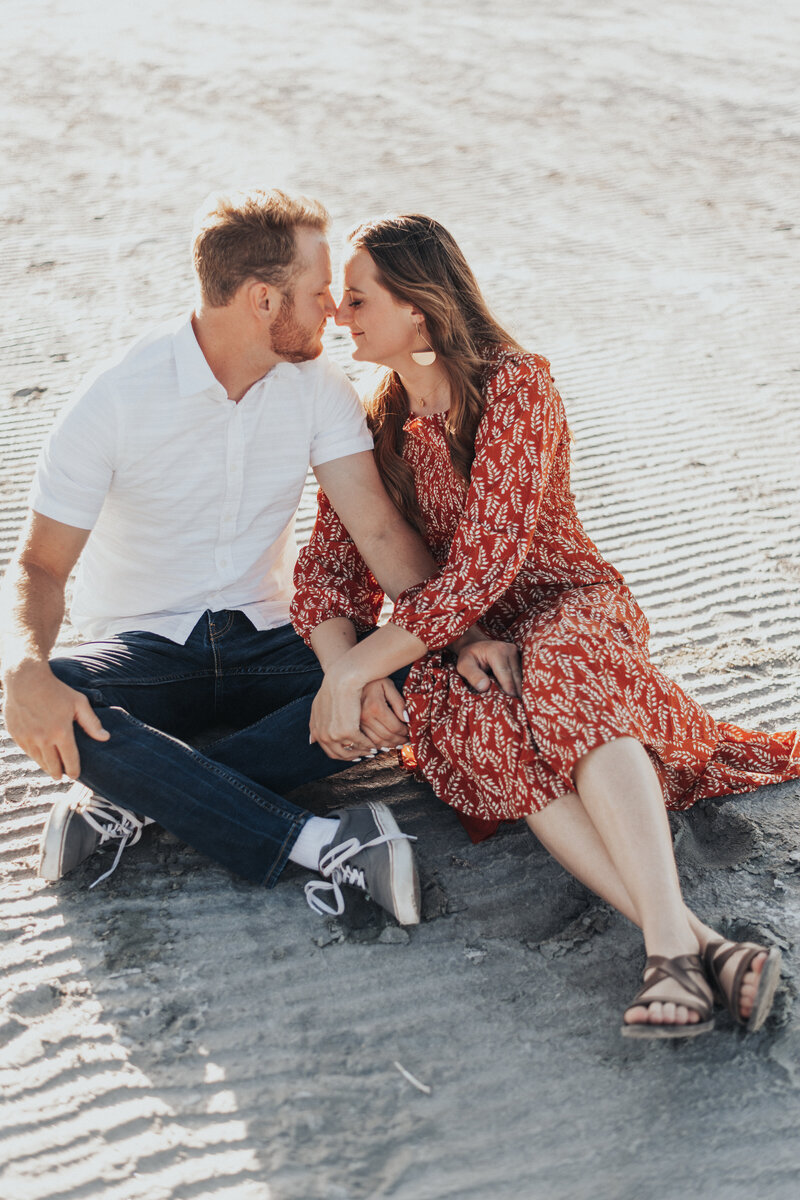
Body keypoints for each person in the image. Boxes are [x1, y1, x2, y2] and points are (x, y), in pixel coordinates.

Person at [290, 213, 800, 1036]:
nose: (338, 316)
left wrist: (355, 674)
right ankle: (702, 944)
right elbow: (327, 572)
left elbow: (488, 565)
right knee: (475, 714)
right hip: (464, 641)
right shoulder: (374, 421)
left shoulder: (514, 385)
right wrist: (340, 662)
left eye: (356, 299)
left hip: (569, 606)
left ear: (417, 308)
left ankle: (667, 947)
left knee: (559, 664)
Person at [0, 189, 511, 926]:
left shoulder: (316, 390)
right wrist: (21, 669)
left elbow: (378, 533)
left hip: (267, 642)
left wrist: (459, 634)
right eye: (318, 291)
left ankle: (136, 797)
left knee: (420, 668)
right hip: (145, 651)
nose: (335, 310)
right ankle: (322, 843)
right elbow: (39, 567)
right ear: (264, 300)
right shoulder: (115, 399)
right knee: (58, 687)